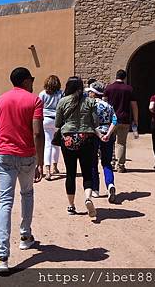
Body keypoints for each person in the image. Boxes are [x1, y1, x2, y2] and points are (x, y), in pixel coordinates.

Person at [0, 67, 44, 272]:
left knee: (5, 201)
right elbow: (37, 133)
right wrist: (39, 160)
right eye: (32, 79)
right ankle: (25, 235)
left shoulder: (0, 100)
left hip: (4, 155)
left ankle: (2, 256)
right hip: (27, 156)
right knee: (27, 193)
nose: (33, 82)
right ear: (26, 80)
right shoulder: (34, 100)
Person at [55, 76, 99, 217]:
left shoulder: (62, 101)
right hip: (87, 138)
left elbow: (57, 123)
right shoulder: (90, 101)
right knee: (87, 172)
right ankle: (88, 198)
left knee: (70, 173)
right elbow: (96, 122)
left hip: (68, 139)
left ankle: (71, 205)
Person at [87, 81, 118, 204]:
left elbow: (90, 122)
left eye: (90, 92)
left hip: (94, 135)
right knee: (106, 162)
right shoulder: (108, 105)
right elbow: (115, 120)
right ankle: (110, 184)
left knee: (93, 162)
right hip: (107, 135)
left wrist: (99, 134)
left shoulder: (91, 105)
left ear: (94, 93)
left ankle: (95, 189)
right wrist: (108, 134)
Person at [104, 69, 138, 173]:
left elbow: (104, 103)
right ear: (125, 77)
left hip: (110, 120)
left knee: (110, 142)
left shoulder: (109, 88)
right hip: (124, 118)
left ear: (116, 76)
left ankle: (111, 162)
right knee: (121, 143)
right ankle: (120, 165)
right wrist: (135, 120)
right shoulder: (129, 89)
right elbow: (134, 105)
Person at [38, 75, 63, 180]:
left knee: (47, 144)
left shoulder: (43, 94)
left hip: (45, 119)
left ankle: (47, 170)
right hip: (57, 120)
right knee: (56, 144)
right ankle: (55, 167)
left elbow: (38, 107)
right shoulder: (60, 93)